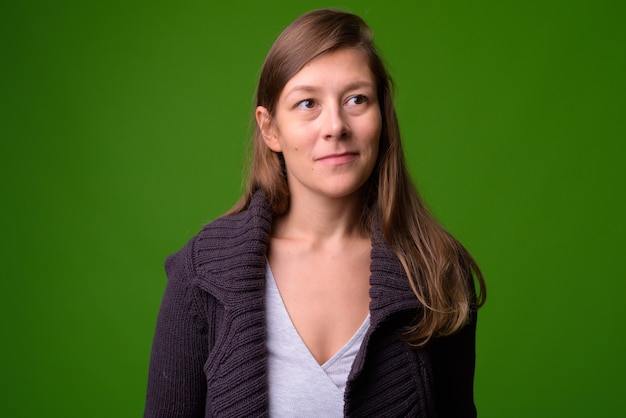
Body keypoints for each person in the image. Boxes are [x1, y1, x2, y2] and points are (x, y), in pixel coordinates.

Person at [144, 8, 486, 418]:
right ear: (270, 129)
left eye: (356, 99)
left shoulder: (435, 271)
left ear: (383, 115)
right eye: (307, 103)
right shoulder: (202, 276)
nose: (335, 126)